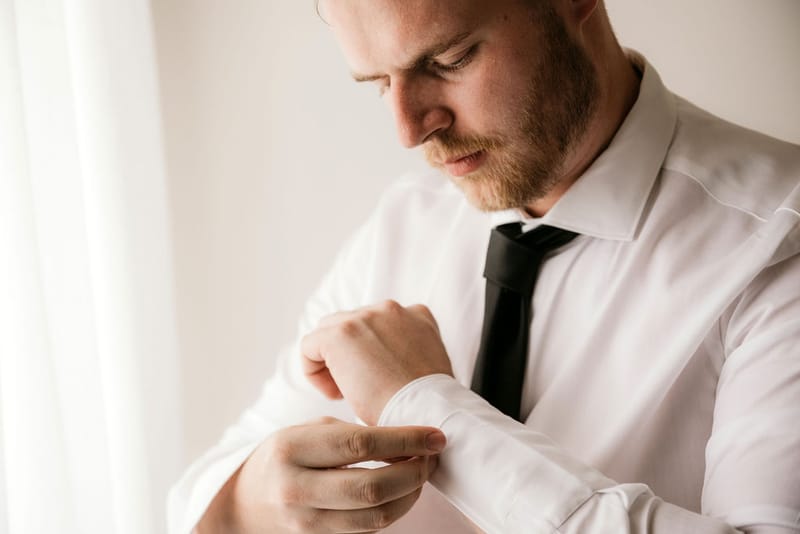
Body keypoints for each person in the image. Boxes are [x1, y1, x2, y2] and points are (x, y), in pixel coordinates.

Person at [168, 0, 800, 532]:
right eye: (380, 84)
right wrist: (256, 499)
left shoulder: (778, 241)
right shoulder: (406, 222)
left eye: (448, 60)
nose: (410, 131)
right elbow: (202, 488)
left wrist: (427, 406)